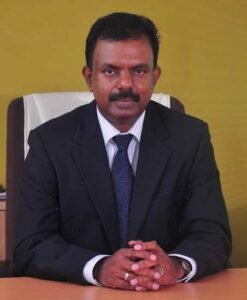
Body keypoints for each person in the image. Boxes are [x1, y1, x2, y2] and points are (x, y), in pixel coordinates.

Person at [14, 12, 231, 291]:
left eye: (139, 71)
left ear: (155, 76)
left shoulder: (190, 137)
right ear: (89, 77)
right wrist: (99, 267)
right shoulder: (49, 141)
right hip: (78, 293)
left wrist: (176, 266)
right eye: (110, 71)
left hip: (161, 293)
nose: (125, 85)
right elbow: (31, 243)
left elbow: (212, 234)